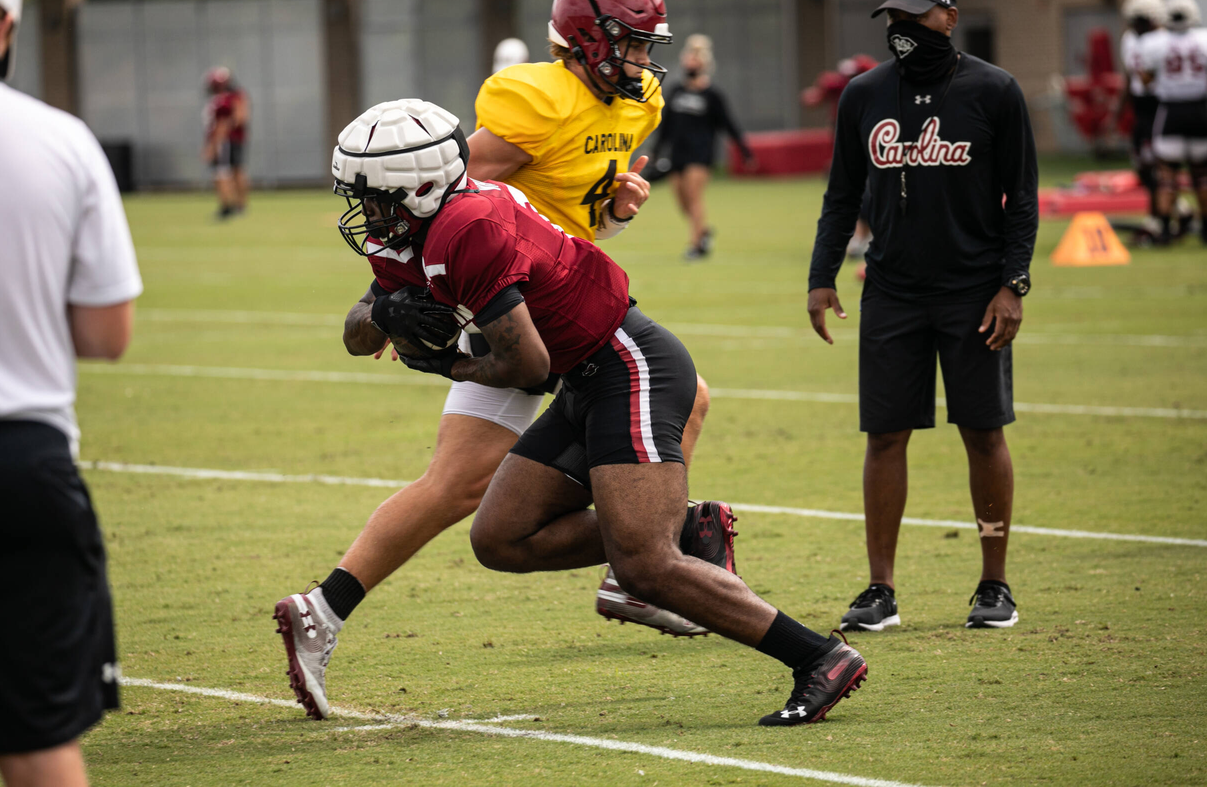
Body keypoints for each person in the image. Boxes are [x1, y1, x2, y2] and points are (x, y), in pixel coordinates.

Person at [320, 98, 868, 728]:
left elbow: (527, 367)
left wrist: (446, 366)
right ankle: (688, 529)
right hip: (585, 379)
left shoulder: (466, 225)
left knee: (643, 564)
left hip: (628, 365)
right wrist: (382, 315)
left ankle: (820, 657)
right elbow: (357, 333)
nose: (367, 213)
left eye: (377, 197)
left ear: (420, 186)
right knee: (500, 538)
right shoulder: (410, 229)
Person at [274, 0, 718, 722]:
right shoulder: (534, 100)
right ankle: (324, 607)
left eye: (649, 47)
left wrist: (614, 204)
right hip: (506, 301)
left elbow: (577, 211)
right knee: (459, 484)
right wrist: (397, 299)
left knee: (687, 400)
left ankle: (632, 566)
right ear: (589, 41)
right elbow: (440, 197)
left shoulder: (637, 101)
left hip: (565, 289)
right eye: (633, 45)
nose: (646, 63)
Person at [0, 0, 142, 783]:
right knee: (39, 736)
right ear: (5, 27)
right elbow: (106, 335)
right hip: (21, 464)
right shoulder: (60, 139)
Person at [806, 0, 1039, 632]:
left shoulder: (995, 90)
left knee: (982, 430)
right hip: (892, 290)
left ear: (949, 17)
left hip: (974, 292)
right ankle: (881, 589)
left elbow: (1021, 198)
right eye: (893, 18)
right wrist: (822, 276)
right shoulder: (863, 95)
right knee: (885, 435)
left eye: (916, 16)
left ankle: (994, 585)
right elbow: (841, 195)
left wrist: (1012, 283)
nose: (902, 29)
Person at [652, 34, 754, 259]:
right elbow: (666, 124)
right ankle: (704, 231)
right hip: (677, 154)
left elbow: (729, 124)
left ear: (704, 64)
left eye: (695, 60)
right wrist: (656, 150)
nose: (690, 63)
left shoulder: (712, 95)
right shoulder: (676, 91)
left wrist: (745, 151)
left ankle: (696, 246)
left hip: (700, 154)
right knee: (682, 201)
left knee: (694, 196)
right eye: (688, 59)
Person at [1139, 0, 1207, 245]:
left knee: (1167, 177)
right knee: (1202, 175)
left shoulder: (1154, 42)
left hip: (1171, 112)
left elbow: (1145, 81)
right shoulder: (1206, 39)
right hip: (1200, 111)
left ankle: (1165, 231)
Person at [1119, 0, 1167, 236]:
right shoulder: (1129, 38)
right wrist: (1120, 107)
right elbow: (1129, 76)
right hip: (1141, 106)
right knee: (1142, 162)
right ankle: (1173, 209)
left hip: (1162, 103)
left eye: (1141, 19)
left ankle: (1159, 217)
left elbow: (1151, 78)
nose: (1136, 24)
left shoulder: (1164, 39)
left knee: (1161, 164)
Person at [202, 65, 249, 219]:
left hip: (225, 141)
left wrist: (215, 142)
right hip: (230, 139)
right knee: (235, 171)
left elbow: (238, 118)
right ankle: (238, 206)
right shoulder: (232, 96)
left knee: (223, 172)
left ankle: (228, 206)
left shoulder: (227, 99)